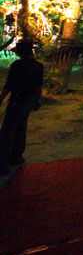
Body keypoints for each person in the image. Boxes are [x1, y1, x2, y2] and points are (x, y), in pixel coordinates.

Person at [0, 40, 44, 175]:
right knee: (21, 127)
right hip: (28, 100)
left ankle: (3, 163)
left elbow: (9, 85)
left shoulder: (17, 65)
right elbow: (38, 86)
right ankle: (16, 156)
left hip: (17, 100)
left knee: (7, 132)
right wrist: (37, 100)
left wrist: (1, 99)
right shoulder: (38, 66)